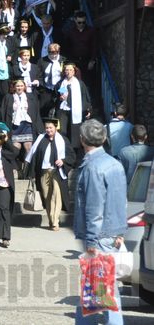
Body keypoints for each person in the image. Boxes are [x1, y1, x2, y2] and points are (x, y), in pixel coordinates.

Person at [74, 119, 127, 324]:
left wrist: (91, 241)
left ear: (82, 139)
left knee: (99, 290)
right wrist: (121, 231)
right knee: (101, 289)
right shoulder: (115, 163)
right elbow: (120, 200)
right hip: (112, 232)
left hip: (99, 235)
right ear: (104, 139)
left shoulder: (92, 167)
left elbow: (94, 207)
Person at [25, 117, 75, 231]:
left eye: (51, 128)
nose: (48, 130)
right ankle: (51, 219)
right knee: (47, 196)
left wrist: (63, 161)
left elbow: (72, 156)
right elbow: (34, 156)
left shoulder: (63, 140)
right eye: (47, 128)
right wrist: (31, 173)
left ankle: (55, 220)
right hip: (44, 171)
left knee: (56, 194)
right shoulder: (41, 139)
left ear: (55, 128)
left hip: (57, 171)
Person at [1, 79, 42, 171]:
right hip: (15, 126)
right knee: (15, 149)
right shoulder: (8, 97)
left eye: (21, 86)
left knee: (28, 147)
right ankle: (15, 168)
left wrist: (39, 128)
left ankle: (26, 171)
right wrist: (4, 128)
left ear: (24, 87)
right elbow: (4, 112)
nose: (19, 88)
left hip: (27, 125)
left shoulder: (30, 97)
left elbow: (36, 112)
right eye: (17, 86)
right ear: (14, 87)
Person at [56, 62, 92, 149]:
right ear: (64, 72)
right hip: (64, 110)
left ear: (74, 72)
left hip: (76, 110)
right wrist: (60, 98)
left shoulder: (79, 84)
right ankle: (64, 148)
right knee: (63, 131)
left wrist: (88, 109)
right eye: (66, 70)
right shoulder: (61, 83)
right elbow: (56, 96)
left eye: (70, 70)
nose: (68, 72)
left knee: (74, 131)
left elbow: (85, 97)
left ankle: (74, 149)